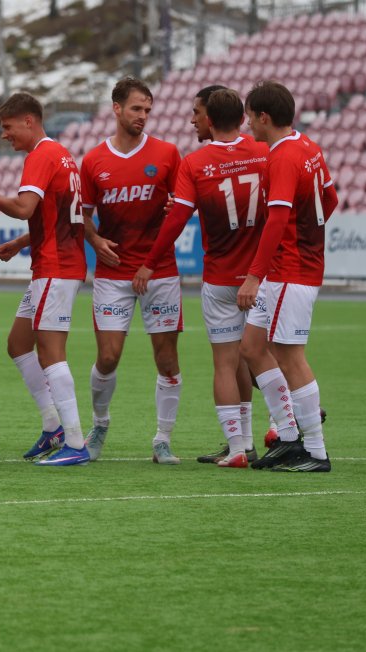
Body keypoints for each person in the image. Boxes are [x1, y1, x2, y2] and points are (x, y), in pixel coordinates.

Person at [134, 88, 270, 468]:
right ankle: (268, 435)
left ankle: (239, 446)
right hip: (262, 276)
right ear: (241, 118)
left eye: (196, 113)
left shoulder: (195, 163)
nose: (192, 120)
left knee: (226, 363)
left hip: (221, 278)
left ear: (210, 119)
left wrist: (149, 262)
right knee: (265, 356)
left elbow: (177, 218)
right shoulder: (265, 152)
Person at [77, 77, 182, 465]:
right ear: (117, 108)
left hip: (160, 271)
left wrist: (175, 208)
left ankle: (163, 439)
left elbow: (183, 206)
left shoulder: (168, 154)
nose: (143, 116)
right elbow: (82, 216)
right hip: (114, 272)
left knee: (167, 360)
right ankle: (99, 424)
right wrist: (95, 240)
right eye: (137, 108)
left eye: (148, 110)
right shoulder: (94, 161)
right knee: (108, 358)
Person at [0, 92, 90, 467]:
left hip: (56, 269)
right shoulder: (60, 154)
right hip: (54, 265)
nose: (5, 135)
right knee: (18, 344)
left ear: (28, 121)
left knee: (50, 352)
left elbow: (24, 207)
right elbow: (55, 215)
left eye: (8, 127)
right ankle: (53, 426)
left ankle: (75, 442)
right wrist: (21, 242)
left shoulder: (41, 156)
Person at [236, 81, 339, 472]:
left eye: (251, 117)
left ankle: (315, 451)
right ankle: (289, 437)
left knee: (290, 357)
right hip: (293, 267)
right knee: (251, 348)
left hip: (289, 270)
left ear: (264, 117)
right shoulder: (307, 146)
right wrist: (309, 235)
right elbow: (330, 199)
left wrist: (254, 276)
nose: (248, 125)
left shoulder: (282, 156)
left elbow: (278, 219)